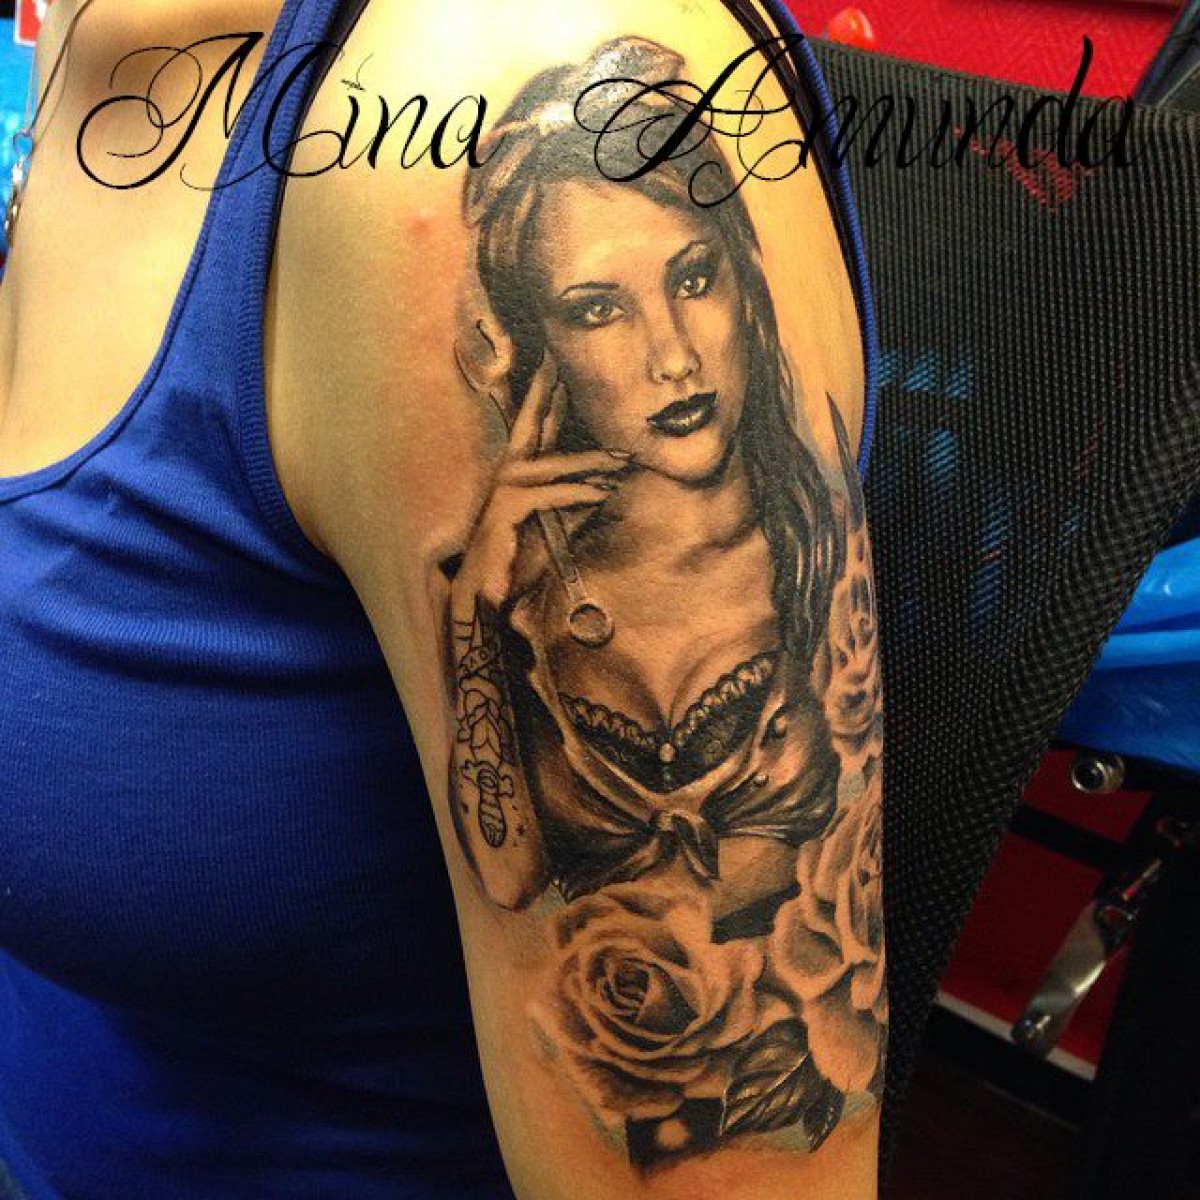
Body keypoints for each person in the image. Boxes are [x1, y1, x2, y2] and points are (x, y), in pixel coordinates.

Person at [0, 1, 881, 1196]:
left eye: (694, 278)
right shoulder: (92, 30)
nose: (673, 357)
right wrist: (473, 615)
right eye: (598, 308)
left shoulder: (482, 74)